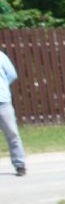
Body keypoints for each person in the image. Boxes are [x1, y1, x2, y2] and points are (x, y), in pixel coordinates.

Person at [0, 48, 23, 176]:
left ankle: (19, 164)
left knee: (12, 134)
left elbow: (12, 74)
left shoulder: (1, 56)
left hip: (3, 101)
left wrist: (2, 85)